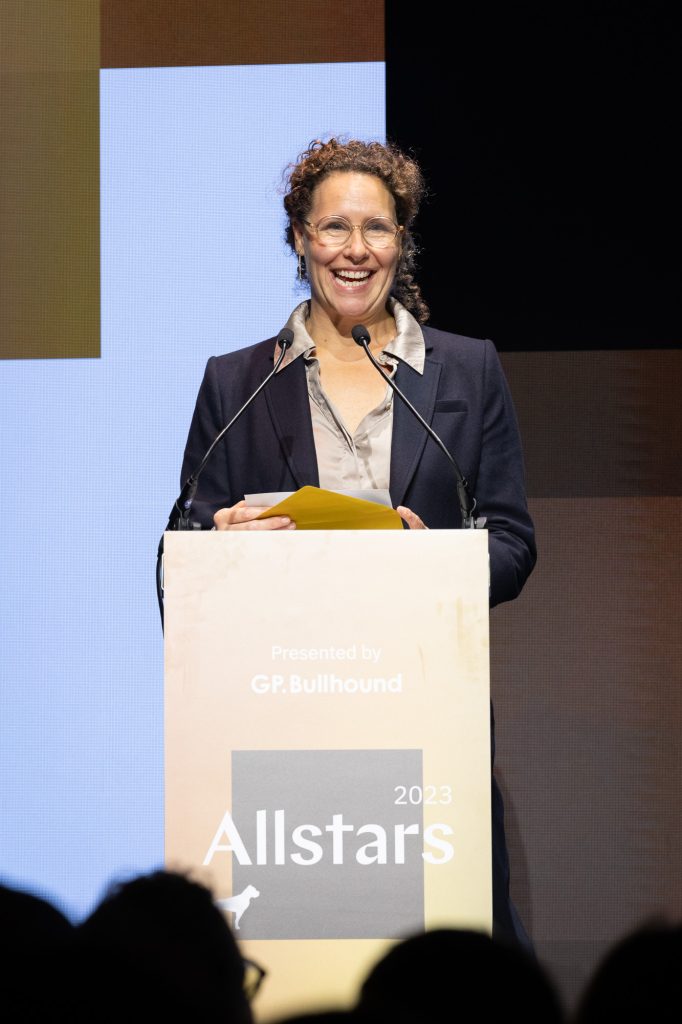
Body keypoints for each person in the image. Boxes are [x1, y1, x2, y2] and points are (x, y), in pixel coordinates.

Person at [180, 138, 536, 943]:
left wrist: (435, 565)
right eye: (333, 227)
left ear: (401, 240)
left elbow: (513, 541)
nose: (355, 249)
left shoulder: (467, 371)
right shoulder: (237, 383)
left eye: (376, 227)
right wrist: (218, 547)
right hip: (279, 722)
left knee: (445, 951)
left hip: (425, 715)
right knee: (301, 938)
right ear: (300, 237)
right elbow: (183, 546)